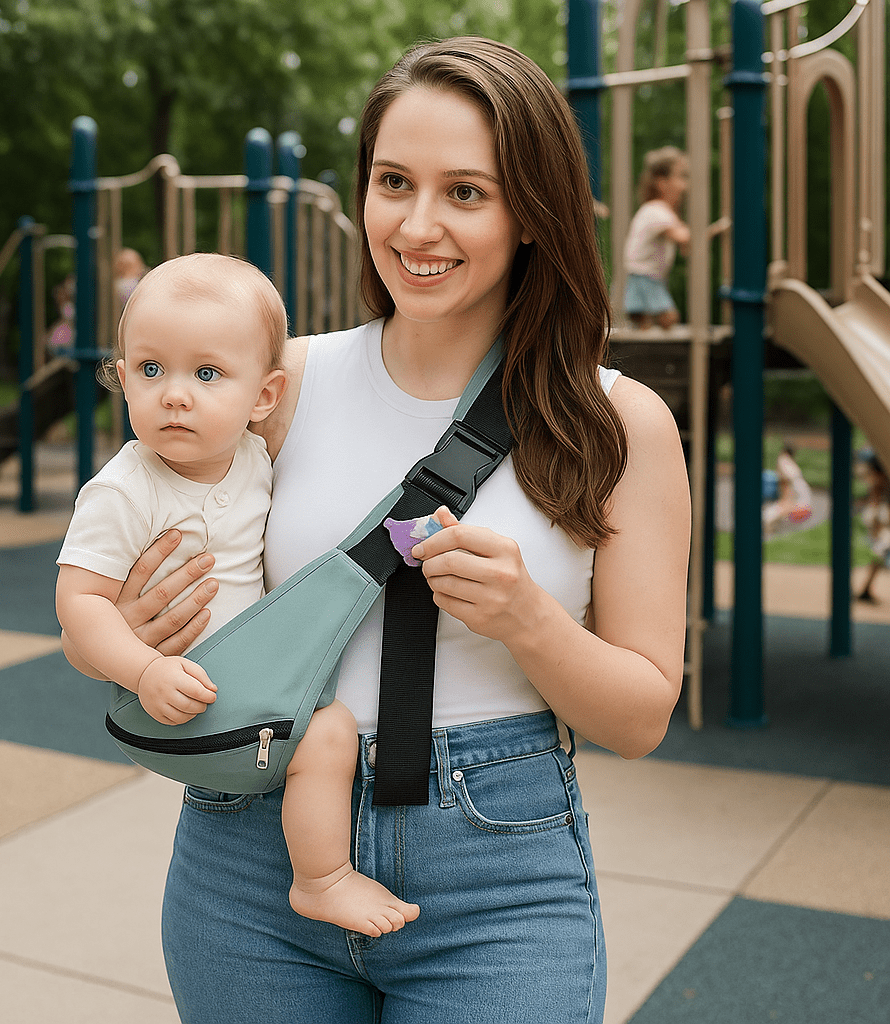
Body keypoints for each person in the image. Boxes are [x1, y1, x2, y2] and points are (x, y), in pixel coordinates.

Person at [63, 38, 691, 1023]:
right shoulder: (275, 388)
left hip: (495, 878)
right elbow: (125, 568)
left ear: (532, 210)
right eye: (392, 182)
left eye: (467, 193)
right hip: (249, 863)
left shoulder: (619, 423)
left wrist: (528, 618)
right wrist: (136, 627)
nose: (417, 224)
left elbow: (641, 717)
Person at [55, 253, 419, 937]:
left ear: (263, 398)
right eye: (151, 370)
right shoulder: (124, 489)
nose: (175, 394)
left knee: (330, 730)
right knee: (328, 730)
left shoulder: (256, 456)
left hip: (246, 692)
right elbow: (80, 604)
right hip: (176, 696)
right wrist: (144, 668)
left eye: (207, 373)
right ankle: (324, 878)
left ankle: (320, 878)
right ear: (123, 377)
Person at [623, 146, 692, 329]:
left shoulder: (655, 210)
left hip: (640, 276)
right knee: (669, 319)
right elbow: (683, 237)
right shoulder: (656, 210)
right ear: (662, 183)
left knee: (642, 324)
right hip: (645, 278)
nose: (686, 186)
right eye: (681, 177)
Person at [856, 452, 889, 603]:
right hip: (878, 519)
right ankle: (865, 589)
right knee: (880, 552)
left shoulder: (878, 480)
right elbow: (875, 510)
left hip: (879, 519)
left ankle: (866, 589)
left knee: (879, 555)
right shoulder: (878, 480)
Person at [762, 442, 813, 535]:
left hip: (799, 510)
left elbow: (787, 502)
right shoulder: (796, 475)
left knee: (766, 517)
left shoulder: (786, 476)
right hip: (804, 508)